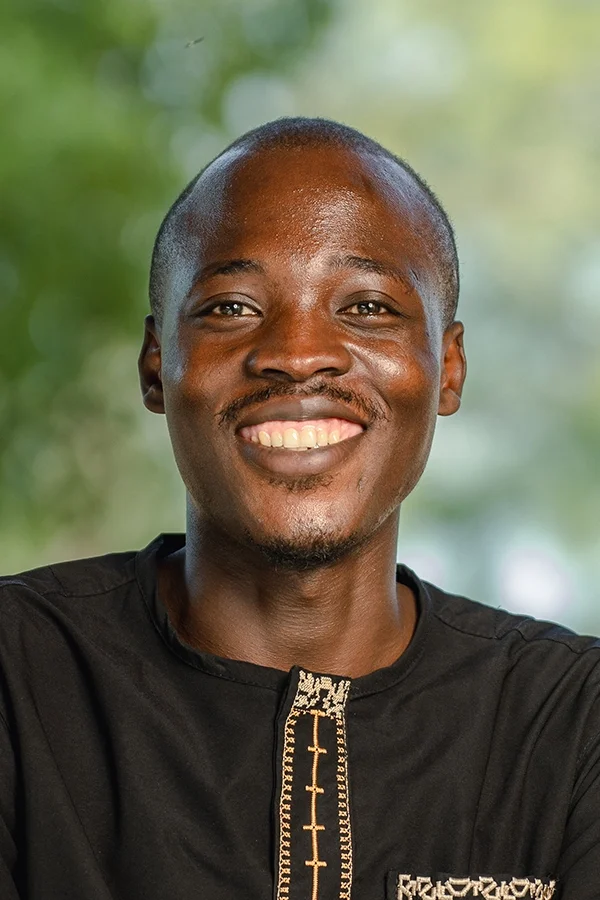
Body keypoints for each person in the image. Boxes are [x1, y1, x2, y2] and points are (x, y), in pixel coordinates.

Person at [0, 117, 597, 900]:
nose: (298, 351)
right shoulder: (20, 680)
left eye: (369, 307)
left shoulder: (572, 722)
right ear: (157, 368)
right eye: (231, 308)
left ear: (447, 370)